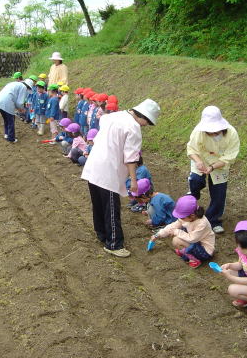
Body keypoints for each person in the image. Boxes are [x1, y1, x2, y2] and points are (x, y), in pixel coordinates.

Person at [82, 99, 160, 258]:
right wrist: (133, 180)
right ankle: (114, 244)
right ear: (143, 117)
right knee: (111, 207)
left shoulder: (112, 116)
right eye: (147, 122)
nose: (145, 126)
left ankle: (101, 234)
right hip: (108, 171)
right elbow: (131, 157)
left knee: (98, 203)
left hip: (94, 165)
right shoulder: (133, 127)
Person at [187, 105, 240, 234]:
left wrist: (212, 167)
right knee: (196, 180)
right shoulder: (198, 132)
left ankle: (213, 220)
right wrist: (199, 162)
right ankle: (194, 193)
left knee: (219, 192)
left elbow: (229, 157)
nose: (211, 133)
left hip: (220, 163)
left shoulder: (232, 133)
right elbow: (192, 149)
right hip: (201, 158)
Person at [150, 195, 214, 268]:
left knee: (177, 240)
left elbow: (192, 238)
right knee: (176, 239)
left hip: (205, 250)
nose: (180, 219)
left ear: (192, 215)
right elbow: (173, 226)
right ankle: (186, 252)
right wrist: (158, 235)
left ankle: (195, 260)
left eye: (182, 217)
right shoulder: (187, 218)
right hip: (196, 243)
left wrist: (176, 231)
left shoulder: (202, 223)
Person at [0, 78, 34, 143]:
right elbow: (20, 102)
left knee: (6, 119)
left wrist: (19, 108)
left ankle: (6, 134)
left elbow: (15, 100)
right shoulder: (23, 87)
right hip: (7, 101)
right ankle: (11, 138)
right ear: (28, 87)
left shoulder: (15, 84)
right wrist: (22, 109)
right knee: (11, 120)